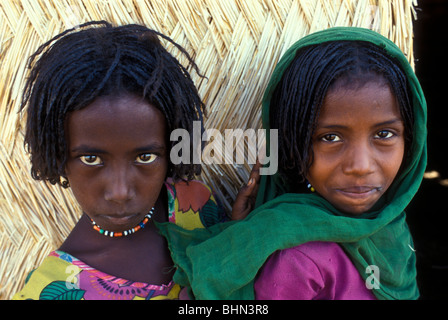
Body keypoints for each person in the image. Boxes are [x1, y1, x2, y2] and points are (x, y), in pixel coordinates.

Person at [157, 27, 427, 300]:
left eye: (384, 134)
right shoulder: (297, 259)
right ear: (292, 144)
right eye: (329, 137)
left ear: (411, 139)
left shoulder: (389, 230)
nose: (360, 165)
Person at [12, 21, 227, 300]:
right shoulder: (48, 292)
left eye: (145, 157)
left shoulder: (194, 206)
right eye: (91, 158)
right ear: (57, 153)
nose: (120, 192)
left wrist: (237, 237)